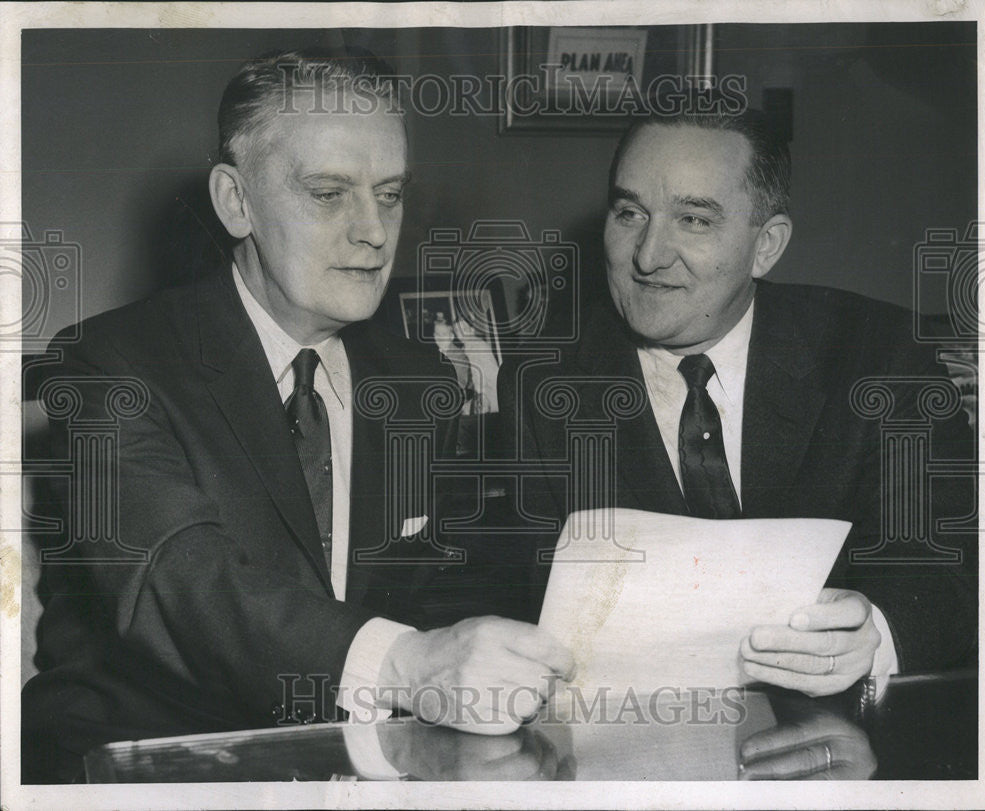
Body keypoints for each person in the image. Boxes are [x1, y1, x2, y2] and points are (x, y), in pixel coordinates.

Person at [22, 49, 573, 783]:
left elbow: (439, 588)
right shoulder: (108, 363)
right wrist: (406, 664)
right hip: (139, 766)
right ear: (235, 201)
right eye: (328, 193)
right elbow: (172, 580)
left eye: (390, 193)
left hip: (350, 766)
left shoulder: (416, 382)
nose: (374, 231)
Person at [499, 110, 976, 698]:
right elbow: (526, 600)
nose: (648, 255)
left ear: (765, 247)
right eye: (629, 214)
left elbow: (949, 566)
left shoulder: (880, 357)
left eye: (693, 220)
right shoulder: (541, 382)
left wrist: (873, 634)